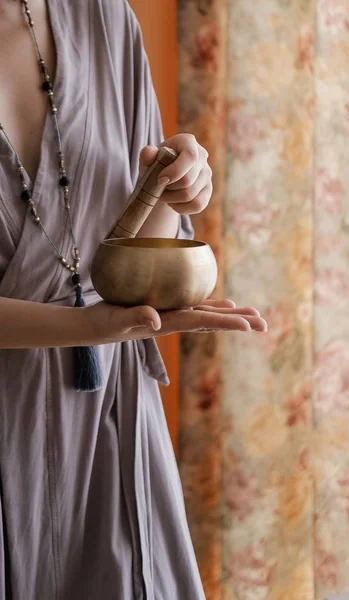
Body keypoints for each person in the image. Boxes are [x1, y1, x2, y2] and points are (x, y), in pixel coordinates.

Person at [0, 0, 268, 598]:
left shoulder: (102, 18)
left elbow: (136, 250)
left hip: (109, 426)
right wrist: (89, 328)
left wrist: (175, 180)